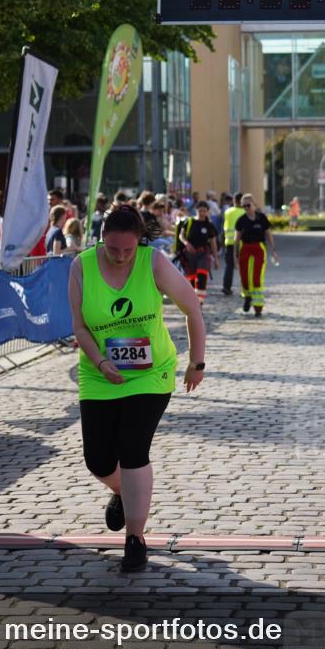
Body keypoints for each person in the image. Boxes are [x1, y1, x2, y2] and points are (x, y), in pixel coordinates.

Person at [68, 205, 206, 573]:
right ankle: (121, 492)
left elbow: (192, 308)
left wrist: (197, 362)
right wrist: (100, 362)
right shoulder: (81, 266)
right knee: (97, 459)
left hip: (151, 373)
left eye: (128, 250)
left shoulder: (153, 262)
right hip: (99, 374)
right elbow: (80, 327)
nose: (121, 256)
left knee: (132, 448)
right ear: (102, 239)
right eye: (114, 250)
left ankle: (135, 538)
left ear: (139, 242)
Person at [234, 194, 277, 316]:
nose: (246, 208)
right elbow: (236, 240)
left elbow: (268, 234)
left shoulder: (261, 218)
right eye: (243, 206)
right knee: (245, 278)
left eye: (248, 205)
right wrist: (234, 255)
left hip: (258, 249)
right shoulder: (241, 220)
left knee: (256, 278)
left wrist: (273, 250)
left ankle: (258, 306)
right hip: (245, 249)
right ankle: (247, 296)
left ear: (254, 204)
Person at [178, 200, 220, 309]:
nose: (202, 213)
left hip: (203, 253)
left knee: (202, 277)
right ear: (195, 211)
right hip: (189, 255)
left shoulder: (209, 225)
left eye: (204, 211)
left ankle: (199, 304)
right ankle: (193, 302)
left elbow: (213, 242)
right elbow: (181, 236)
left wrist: (216, 258)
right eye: (200, 211)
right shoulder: (189, 222)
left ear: (207, 212)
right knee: (191, 280)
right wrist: (187, 244)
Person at [221, 192, 243, 295]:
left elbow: (224, 226)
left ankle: (226, 287)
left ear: (234, 200)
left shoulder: (228, 211)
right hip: (242, 243)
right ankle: (245, 288)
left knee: (229, 266)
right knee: (243, 266)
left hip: (229, 242)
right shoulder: (244, 212)